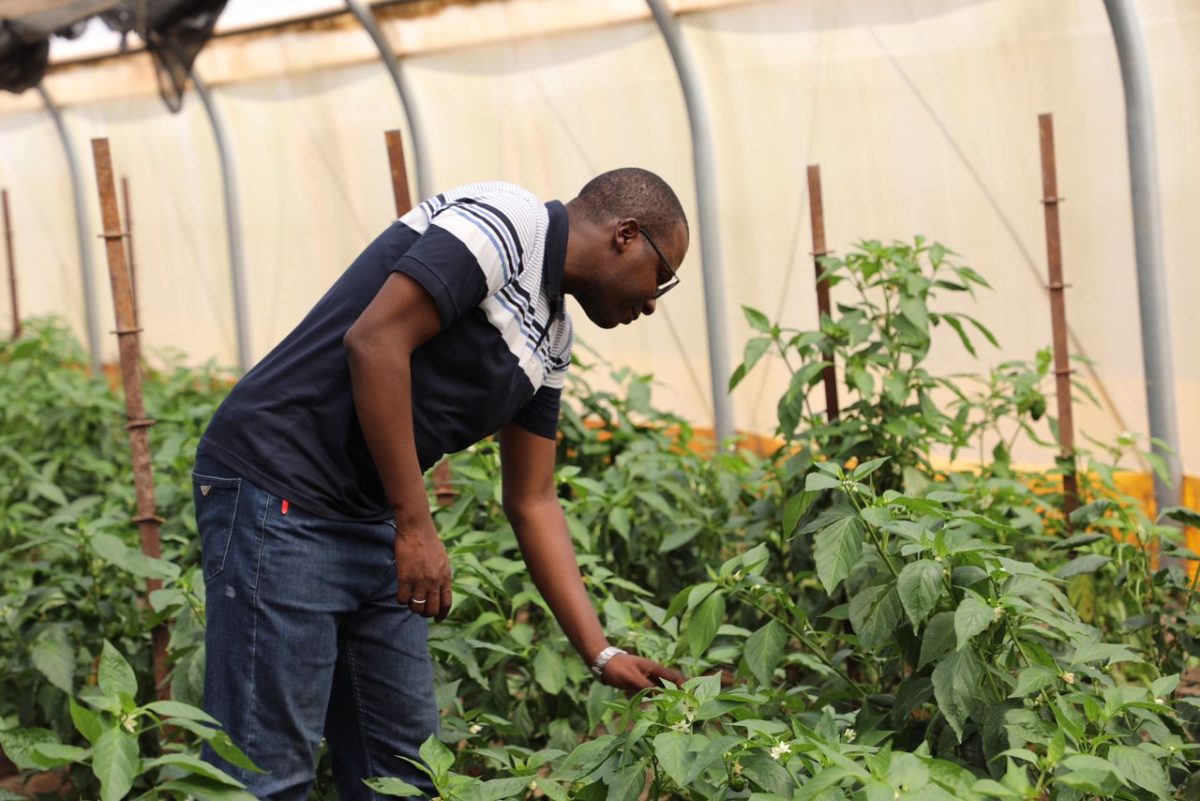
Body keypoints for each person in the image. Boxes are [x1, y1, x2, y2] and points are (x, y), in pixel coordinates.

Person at [192, 168, 690, 800]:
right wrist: (415, 526)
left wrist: (599, 652)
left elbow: (531, 499)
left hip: (368, 515)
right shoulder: (508, 221)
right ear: (626, 234)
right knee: (265, 774)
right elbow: (374, 341)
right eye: (662, 276)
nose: (652, 302)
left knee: (404, 775)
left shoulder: (552, 335)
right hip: (280, 486)